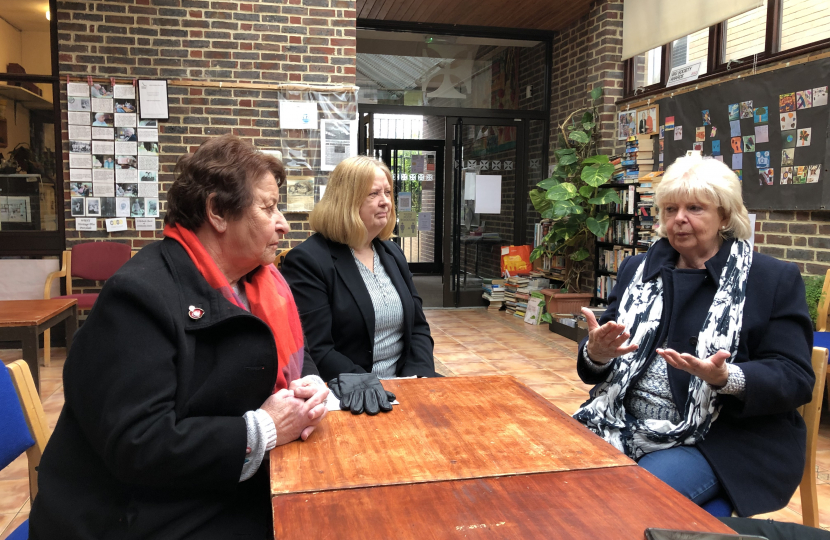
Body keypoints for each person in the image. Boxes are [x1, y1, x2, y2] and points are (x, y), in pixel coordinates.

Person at [29, 135, 329, 540]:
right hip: (138, 515)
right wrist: (265, 428)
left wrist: (307, 385)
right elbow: (139, 444)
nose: (283, 224)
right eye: (269, 207)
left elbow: (291, 356)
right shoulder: (139, 296)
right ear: (218, 212)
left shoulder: (260, 283)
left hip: (216, 487)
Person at [573, 155, 813, 518]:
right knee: (550, 480)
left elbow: (795, 377)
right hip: (621, 419)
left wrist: (727, 378)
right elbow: (599, 356)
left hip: (723, 438)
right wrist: (597, 352)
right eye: (670, 209)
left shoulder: (771, 279)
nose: (679, 219)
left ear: (725, 216)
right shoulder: (637, 270)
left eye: (694, 208)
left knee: (621, 506)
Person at [281, 155, 438, 382]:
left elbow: (419, 328)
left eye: (387, 192)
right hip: (351, 390)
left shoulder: (393, 253)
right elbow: (317, 350)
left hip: (406, 384)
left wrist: (419, 376)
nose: (385, 201)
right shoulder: (308, 261)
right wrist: (374, 387)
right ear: (346, 201)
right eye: (373, 194)